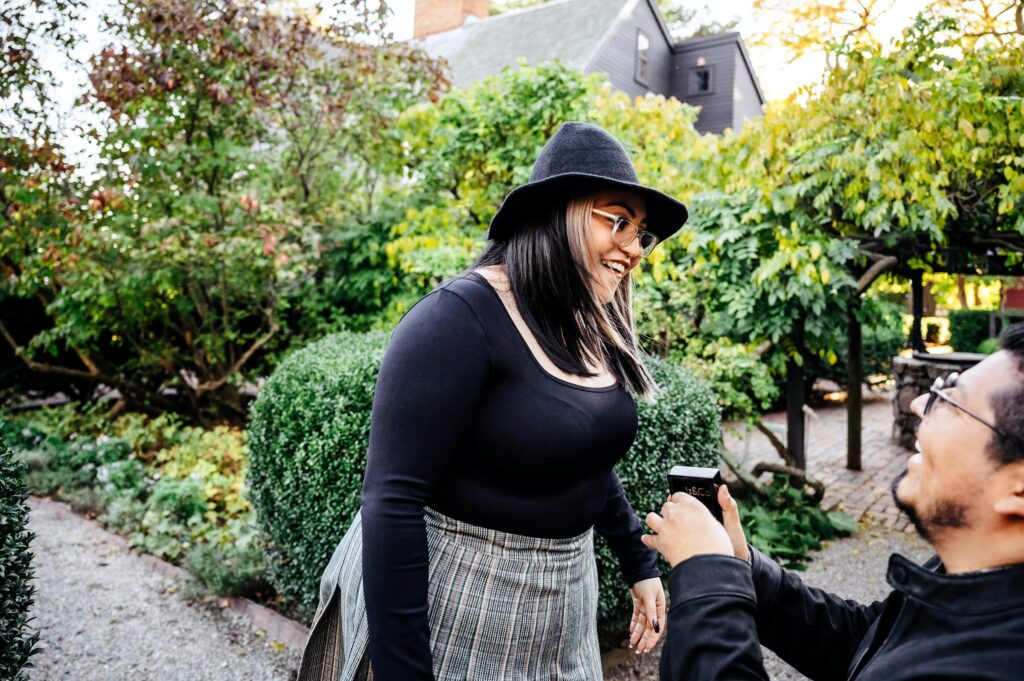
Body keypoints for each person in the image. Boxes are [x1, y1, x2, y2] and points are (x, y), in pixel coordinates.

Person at [297, 122, 691, 680]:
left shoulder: (586, 323)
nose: (634, 249)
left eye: (641, 232)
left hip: (562, 606)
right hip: (457, 601)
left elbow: (582, 453)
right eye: (619, 221)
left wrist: (639, 561)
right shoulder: (456, 319)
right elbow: (392, 501)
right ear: (558, 213)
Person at [642, 323, 1024, 680]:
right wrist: (742, 567)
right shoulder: (968, 578)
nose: (920, 404)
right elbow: (866, 643)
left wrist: (706, 577)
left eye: (951, 398)